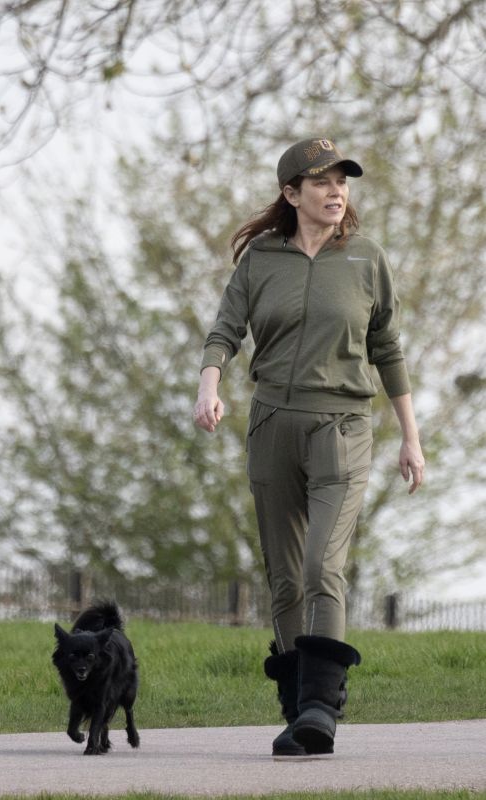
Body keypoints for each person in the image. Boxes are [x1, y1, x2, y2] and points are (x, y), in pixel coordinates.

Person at [193, 136, 425, 759]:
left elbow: (388, 349)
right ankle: (299, 715)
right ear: (291, 193)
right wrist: (209, 385)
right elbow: (225, 330)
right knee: (285, 580)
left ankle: (323, 704)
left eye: (341, 181)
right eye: (320, 182)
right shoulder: (262, 260)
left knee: (324, 565)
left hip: (343, 429)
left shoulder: (368, 259)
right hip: (272, 426)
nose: (335, 191)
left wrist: (410, 436)